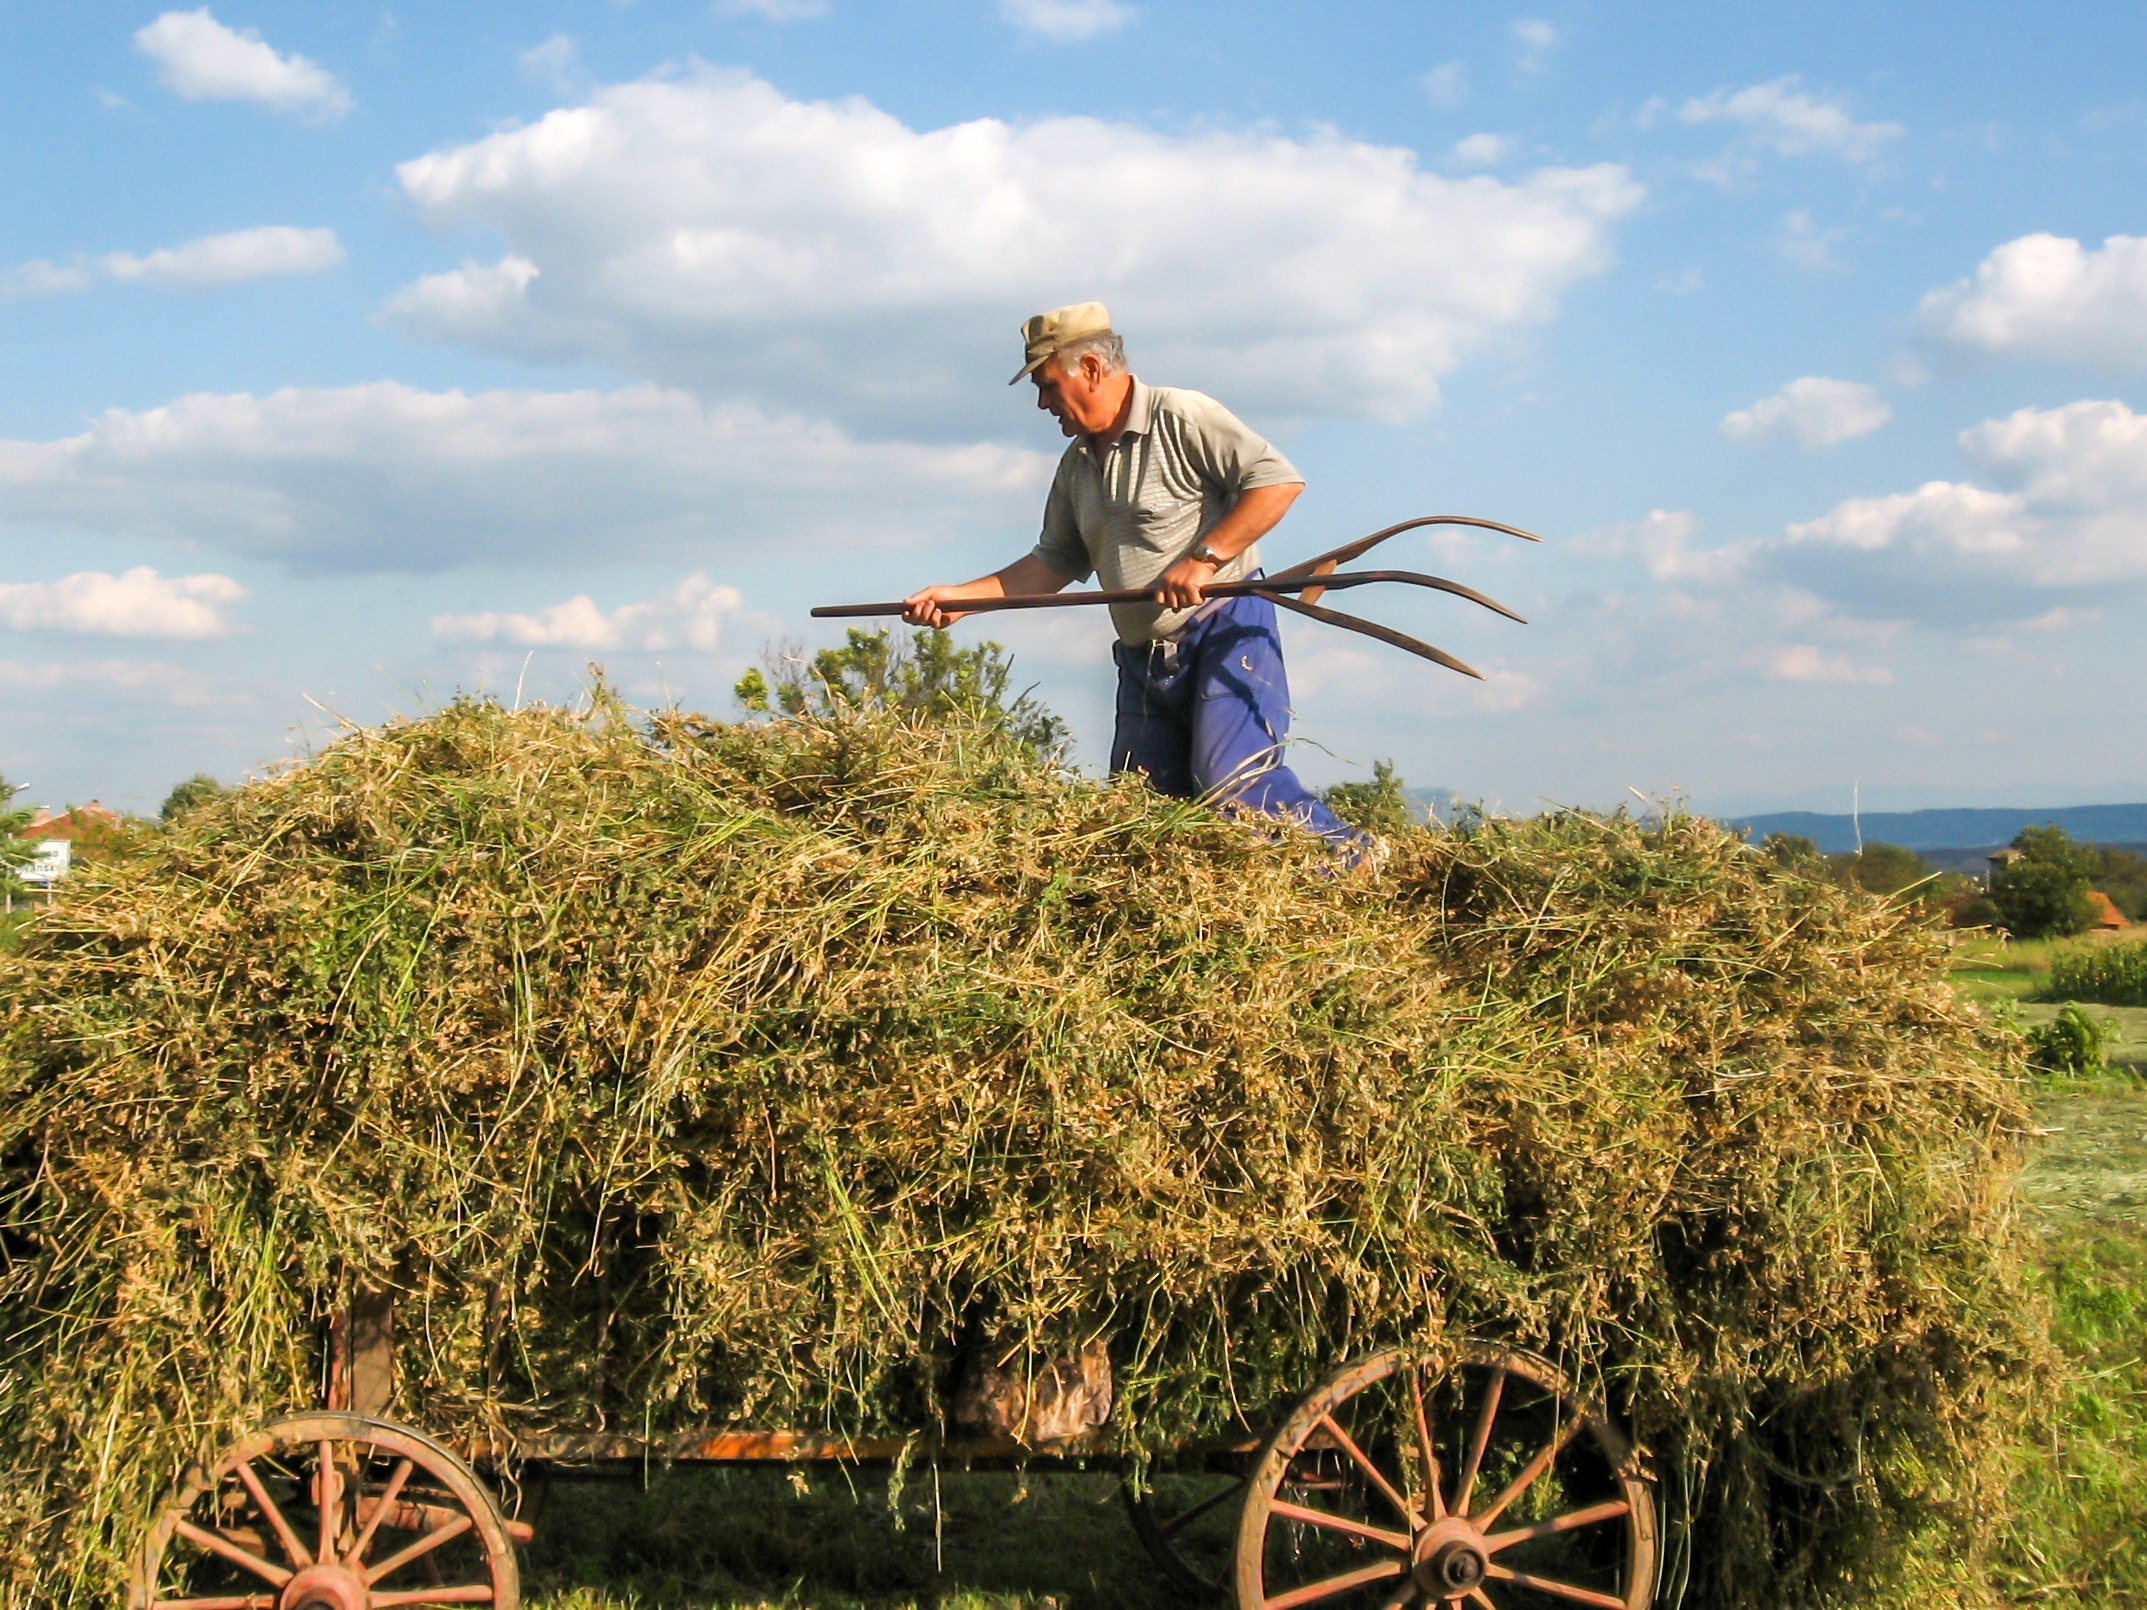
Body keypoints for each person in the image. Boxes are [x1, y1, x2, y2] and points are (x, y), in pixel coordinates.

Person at [904, 302, 1357, 846]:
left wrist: (1203, 558)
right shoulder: (1075, 468)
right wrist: (963, 598)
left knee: (1233, 785)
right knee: (1141, 815)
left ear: (1091, 369)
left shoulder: (1182, 416)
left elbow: (1277, 483)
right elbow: (1051, 563)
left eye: (1047, 385)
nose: (1044, 403)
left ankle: (1353, 856)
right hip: (1145, 658)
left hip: (1224, 629)